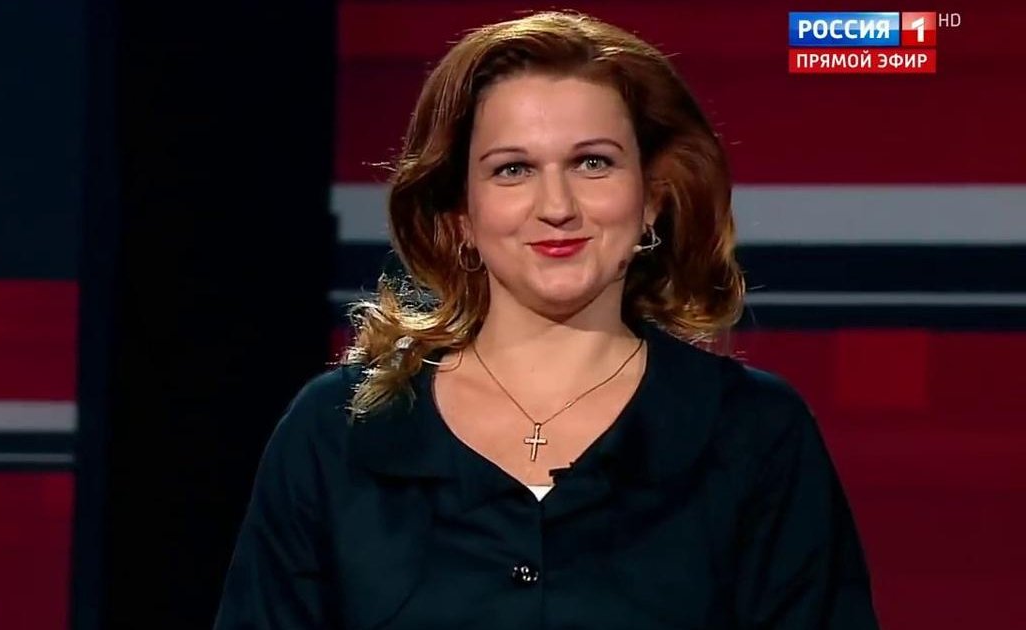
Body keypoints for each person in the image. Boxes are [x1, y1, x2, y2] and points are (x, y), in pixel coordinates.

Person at [215, 9, 880, 629]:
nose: (556, 206)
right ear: (460, 215)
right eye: (513, 170)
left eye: (593, 163)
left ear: (652, 198)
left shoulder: (754, 434)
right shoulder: (337, 433)